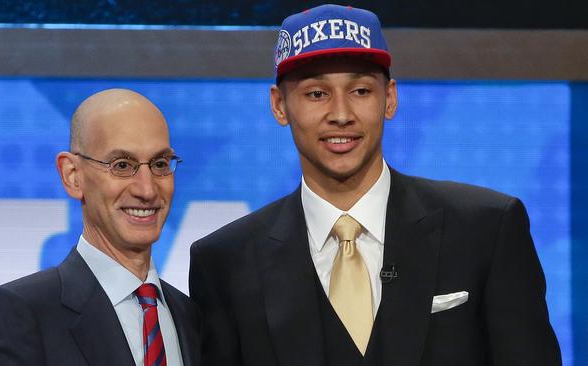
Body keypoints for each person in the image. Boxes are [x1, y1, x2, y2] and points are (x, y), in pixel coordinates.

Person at [188, 4, 561, 366]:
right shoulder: (225, 262)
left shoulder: (486, 229)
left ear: (390, 98)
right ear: (279, 106)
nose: (341, 114)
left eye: (361, 91)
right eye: (316, 94)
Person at [0, 88, 200, 366]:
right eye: (122, 165)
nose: (147, 190)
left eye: (160, 164)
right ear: (73, 176)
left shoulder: (192, 318)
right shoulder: (20, 313)